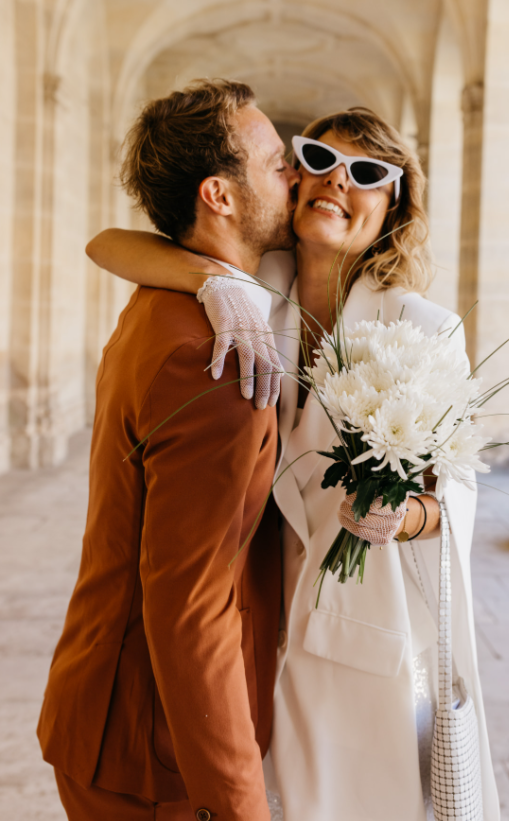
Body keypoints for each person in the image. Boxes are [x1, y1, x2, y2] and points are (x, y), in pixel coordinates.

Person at [87, 102, 500, 820]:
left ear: (393, 204)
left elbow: (457, 491)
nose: (339, 180)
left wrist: (403, 516)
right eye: (319, 159)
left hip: (362, 625)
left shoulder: (423, 327)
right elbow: (106, 244)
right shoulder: (254, 283)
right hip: (258, 625)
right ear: (297, 179)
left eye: (367, 174)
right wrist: (213, 282)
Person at [38, 79, 300, 821]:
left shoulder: (169, 301)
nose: (294, 175)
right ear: (219, 195)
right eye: (276, 161)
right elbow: (190, 606)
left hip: (115, 712)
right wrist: (237, 802)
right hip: (150, 747)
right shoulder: (218, 358)